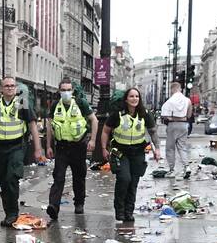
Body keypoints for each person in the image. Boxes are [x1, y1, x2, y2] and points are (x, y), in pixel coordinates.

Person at [0, 76, 43, 228]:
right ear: (1, 89)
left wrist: (38, 148)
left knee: (11, 178)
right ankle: (9, 212)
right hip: (0, 148)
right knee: (2, 180)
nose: (9, 88)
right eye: (6, 86)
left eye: (12, 86)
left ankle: (13, 213)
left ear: (16, 88)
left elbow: (32, 124)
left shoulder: (22, 103)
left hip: (17, 146)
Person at [97, 86, 160, 228]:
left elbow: (153, 132)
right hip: (120, 151)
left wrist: (158, 150)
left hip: (137, 152)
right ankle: (119, 210)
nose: (134, 99)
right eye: (131, 96)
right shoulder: (117, 114)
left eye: (137, 96)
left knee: (133, 183)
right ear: (126, 99)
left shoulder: (144, 114)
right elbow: (106, 131)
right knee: (124, 179)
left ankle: (129, 211)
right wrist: (103, 148)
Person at [43, 77, 98, 222]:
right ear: (59, 91)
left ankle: (79, 203)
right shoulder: (55, 105)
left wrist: (92, 140)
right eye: (63, 90)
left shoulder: (80, 103)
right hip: (61, 147)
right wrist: (48, 146)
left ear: (72, 91)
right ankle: (53, 206)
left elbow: (94, 120)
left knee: (79, 177)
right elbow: (50, 126)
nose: (66, 92)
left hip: (78, 146)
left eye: (68, 90)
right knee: (58, 177)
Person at [159, 81, 191, 175]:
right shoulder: (187, 100)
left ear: (172, 89)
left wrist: (172, 117)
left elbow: (164, 115)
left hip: (173, 125)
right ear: (180, 89)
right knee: (182, 147)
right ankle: (186, 166)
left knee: (170, 148)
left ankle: (172, 170)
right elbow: (189, 115)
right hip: (184, 125)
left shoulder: (169, 101)